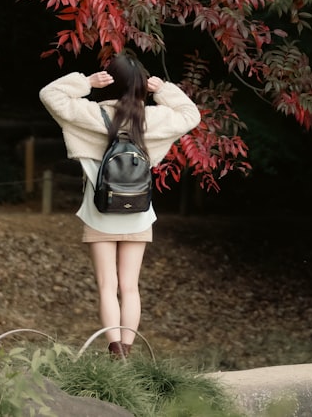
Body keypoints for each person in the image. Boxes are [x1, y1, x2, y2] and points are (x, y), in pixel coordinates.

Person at [39, 51, 201, 357]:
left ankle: (114, 351)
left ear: (109, 84)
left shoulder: (89, 115)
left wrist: (86, 82)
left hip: (99, 212)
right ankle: (128, 350)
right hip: (138, 214)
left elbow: (50, 94)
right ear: (142, 86)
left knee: (106, 286)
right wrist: (163, 89)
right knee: (130, 287)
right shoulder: (153, 120)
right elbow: (191, 115)